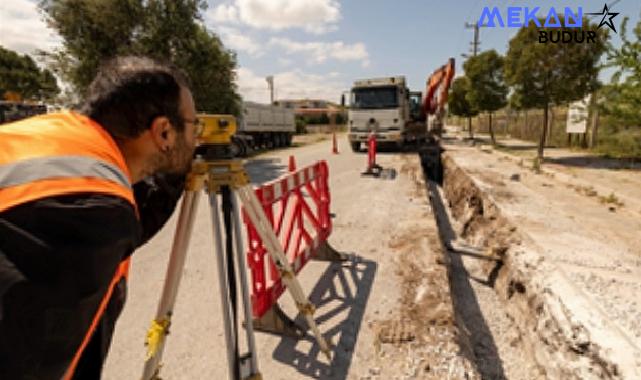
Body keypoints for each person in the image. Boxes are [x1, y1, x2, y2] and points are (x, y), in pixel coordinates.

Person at [0, 56, 201, 379]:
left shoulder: (54, 140)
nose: (198, 138)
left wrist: (174, 174)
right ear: (164, 131)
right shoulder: (94, 209)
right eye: (194, 126)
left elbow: (132, 224)